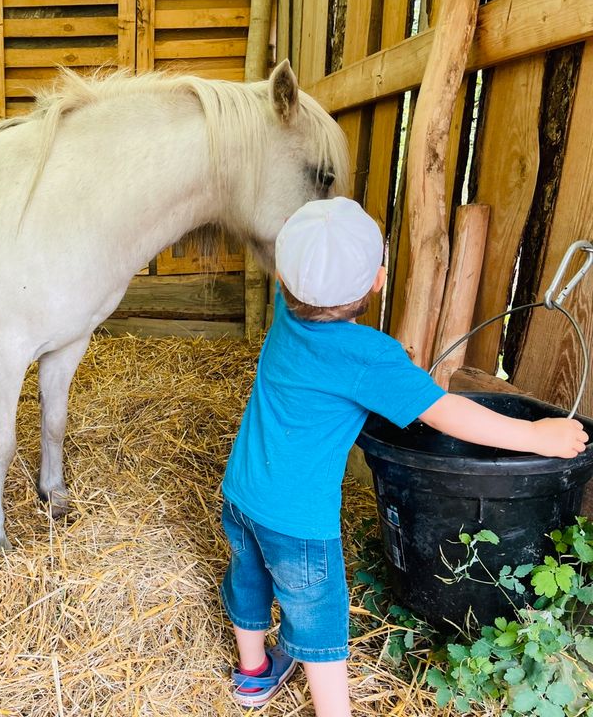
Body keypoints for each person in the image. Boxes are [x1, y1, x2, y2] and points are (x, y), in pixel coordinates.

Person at [220, 196, 588, 714]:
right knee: (319, 616)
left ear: (284, 282)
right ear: (378, 280)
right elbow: (445, 413)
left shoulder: (286, 312)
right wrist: (538, 437)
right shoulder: (368, 356)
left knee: (248, 577)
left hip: (241, 492)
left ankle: (254, 674)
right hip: (298, 520)